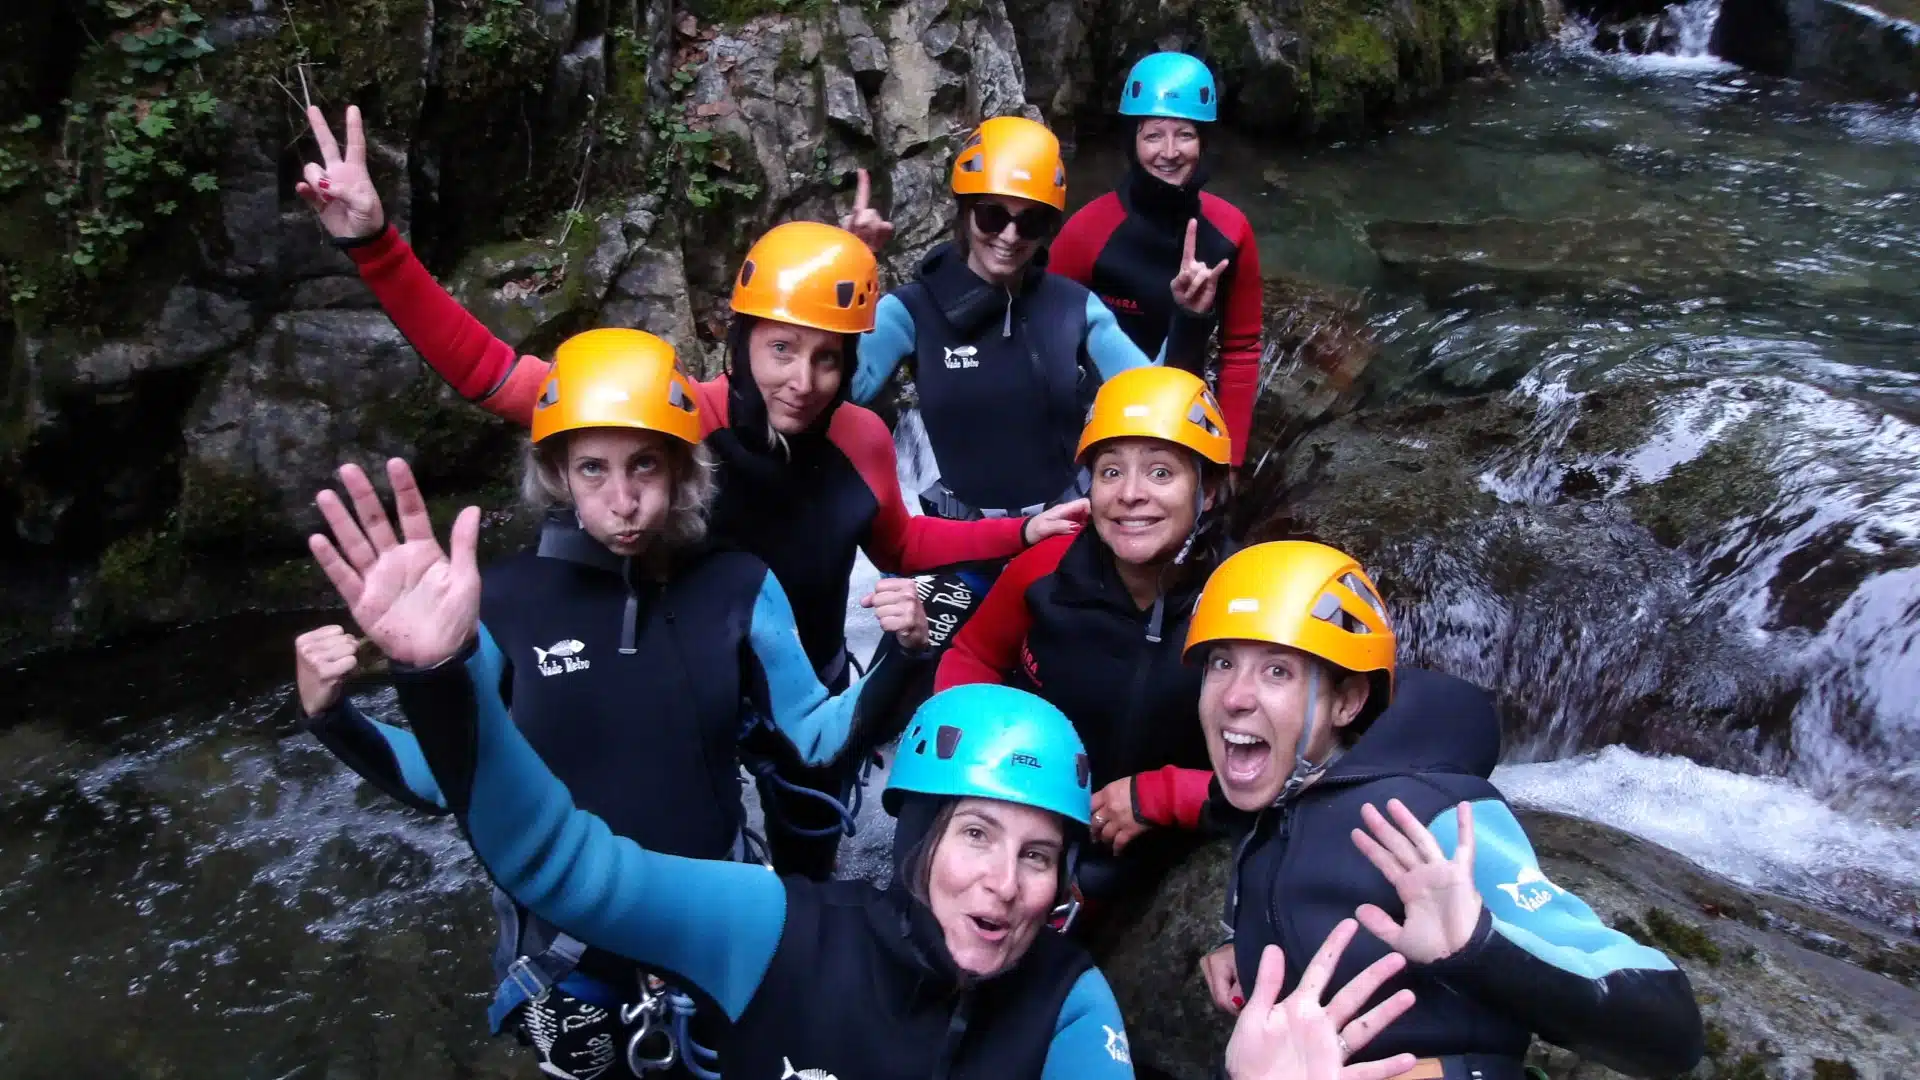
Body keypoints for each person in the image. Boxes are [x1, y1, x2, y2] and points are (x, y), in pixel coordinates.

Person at [297, 459, 1429, 1080]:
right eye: (978, 836)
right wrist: (442, 679)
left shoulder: (1067, 1002)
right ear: (920, 839)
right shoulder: (772, 928)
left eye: (1041, 855)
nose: (1007, 884)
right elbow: (566, 867)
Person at [293, 104, 1085, 880]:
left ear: (853, 365)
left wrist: (1019, 532)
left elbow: (903, 545)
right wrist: (374, 244)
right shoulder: (666, 426)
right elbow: (492, 372)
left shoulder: (863, 440)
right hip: (673, 678)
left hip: (799, 682)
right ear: (739, 344)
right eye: (779, 350)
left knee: (804, 859)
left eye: (827, 360)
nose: (801, 383)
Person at [288, 339, 911, 1080]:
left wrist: (907, 653)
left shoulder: (738, 585)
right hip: (572, 949)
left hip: (717, 921)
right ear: (556, 473)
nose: (623, 499)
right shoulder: (502, 604)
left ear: (682, 468)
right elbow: (443, 777)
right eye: (594, 468)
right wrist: (333, 717)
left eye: (645, 464)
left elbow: (811, 737)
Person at [1184, 541, 1706, 1080]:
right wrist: (1243, 942)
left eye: (1277, 672)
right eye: (1222, 663)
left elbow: (1671, 1031)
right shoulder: (1269, 801)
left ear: (1346, 702)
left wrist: (1482, 946)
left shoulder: (1428, 817)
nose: (1235, 698)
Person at [933, 365, 1232, 933]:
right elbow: (971, 655)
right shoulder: (1046, 568)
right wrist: (981, 768)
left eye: (1162, 472)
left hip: (1155, 845)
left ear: (1209, 491)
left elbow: (1297, 771)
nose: (1131, 495)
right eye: (1111, 470)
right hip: (1028, 808)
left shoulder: (1241, 602)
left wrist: (1161, 796)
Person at [850, 114, 1227, 526]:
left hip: (1065, 529)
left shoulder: (1075, 307)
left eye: (1031, 221)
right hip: (962, 539)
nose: (1010, 236)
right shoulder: (910, 310)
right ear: (964, 212)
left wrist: (1189, 317)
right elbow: (845, 387)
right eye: (992, 215)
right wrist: (850, 267)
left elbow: (1156, 400)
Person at [1051, 52, 1263, 471]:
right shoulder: (1086, 233)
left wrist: (1229, 460)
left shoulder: (1230, 233)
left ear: (1203, 142)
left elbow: (1240, 351)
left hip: (1185, 412)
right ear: (1133, 141)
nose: (1169, 152)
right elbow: (1042, 333)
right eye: (1153, 136)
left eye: (1184, 135)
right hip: (1098, 412)